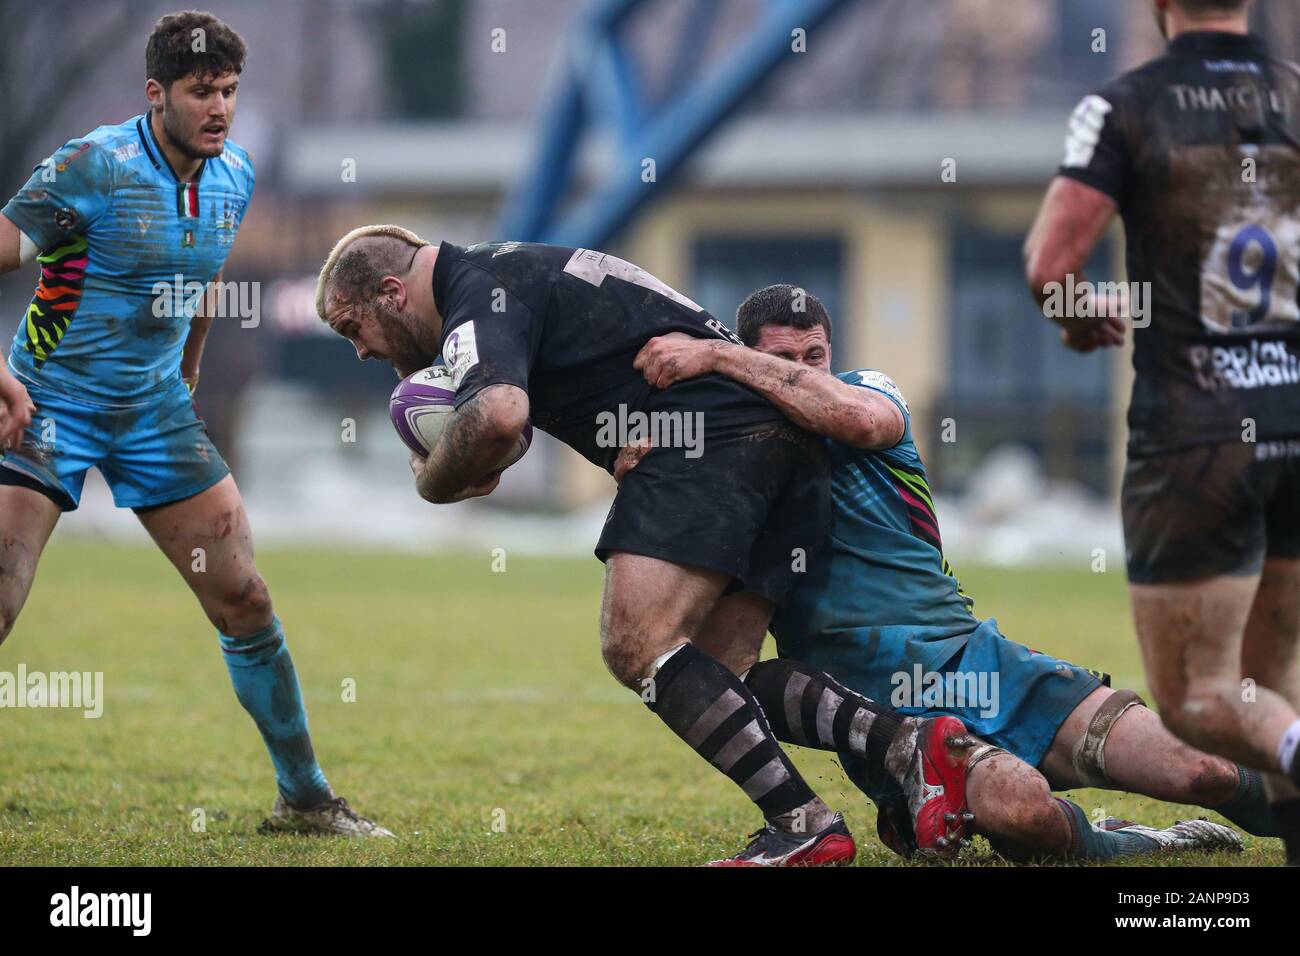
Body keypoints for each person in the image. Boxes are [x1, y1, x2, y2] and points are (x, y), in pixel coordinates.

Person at [316, 229, 978, 864]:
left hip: (710, 443)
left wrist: (433, 480)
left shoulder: (476, 291)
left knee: (638, 644)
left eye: (354, 328)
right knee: (725, 672)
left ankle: (802, 824)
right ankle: (908, 747)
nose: (362, 352)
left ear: (391, 292)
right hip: (781, 449)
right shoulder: (512, 269)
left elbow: (497, 415)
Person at [628, 284, 1267, 861]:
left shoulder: (868, 391)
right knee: (1021, 812)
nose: (801, 372)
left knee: (1202, 773)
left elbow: (854, 418)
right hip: (884, 715)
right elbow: (713, 638)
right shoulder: (734, 463)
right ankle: (1139, 843)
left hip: (980, 662)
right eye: (780, 359)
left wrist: (717, 358)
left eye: (813, 356)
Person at [0, 11, 388, 837]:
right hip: (47, 406)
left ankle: (306, 799)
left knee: (245, 597)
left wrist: (190, 365)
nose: (219, 107)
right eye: (201, 91)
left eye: (230, 92)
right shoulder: (90, 166)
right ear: (156, 94)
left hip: (154, 414)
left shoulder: (235, 173)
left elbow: (203, 270)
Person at [1024, 0, 1300, 864]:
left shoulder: (1125, 105)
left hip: (1197, 435)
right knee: (1274, 680)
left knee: (1193, 700)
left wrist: (1078, 318)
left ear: (1157, 5)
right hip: (1296, 415)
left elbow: (1052, 267)